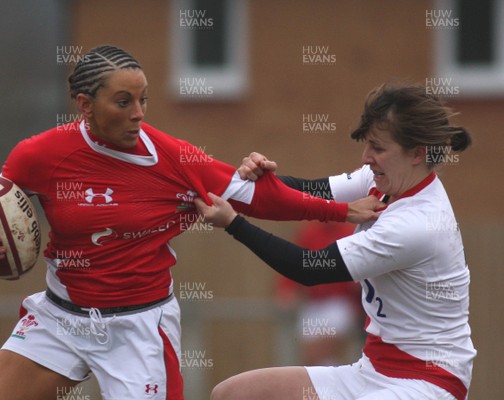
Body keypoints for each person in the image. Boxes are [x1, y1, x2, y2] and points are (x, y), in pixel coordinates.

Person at [0, 45, 382, 400]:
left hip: (138, 328)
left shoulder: (172, 157)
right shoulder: (38, 155)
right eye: (123, 101)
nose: (138, 113)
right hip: (61, 317)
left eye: (143, 99)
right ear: (84, 105)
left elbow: (259, 196)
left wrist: (342, 211)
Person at [196, 83, 476, 400]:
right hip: (372, 371)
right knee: (232, 394)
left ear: (417, 153)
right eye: (367, 145)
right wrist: (257, 178)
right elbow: (302, 193)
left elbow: (308, 268)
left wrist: (234, 223)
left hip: (427, 384)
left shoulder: (417, 223)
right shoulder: (381, 181)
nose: (366, 158)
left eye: (378, 148)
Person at [275, 220, 362, 367]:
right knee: (314, 359)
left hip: (340, 303)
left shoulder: (350, 232)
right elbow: (295, 263)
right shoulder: (310, 231)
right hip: (314, 304)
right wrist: (287, 289)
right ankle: (325, 388)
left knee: (318, 350)